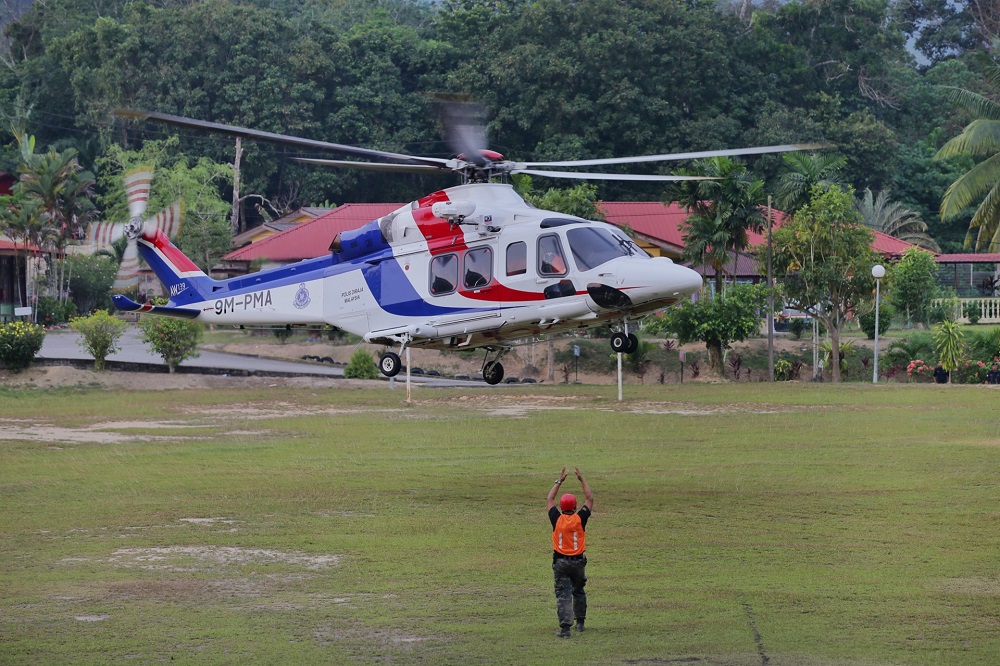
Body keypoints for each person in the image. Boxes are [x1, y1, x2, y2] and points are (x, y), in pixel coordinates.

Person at [546, 465, 593, 638]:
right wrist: (582, 480)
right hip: (578, 562)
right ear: (574, 506)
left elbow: (549, 499)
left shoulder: (556, 518)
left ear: (562, 506)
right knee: (578, 591)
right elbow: (590, 498)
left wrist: (559, 481)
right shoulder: (580, 518)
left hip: (561, 562)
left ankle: (565, 629)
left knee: (563, 593)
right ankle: (580, 622)